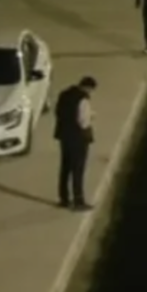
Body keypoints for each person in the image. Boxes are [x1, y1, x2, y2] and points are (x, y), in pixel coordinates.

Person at [53, 76, 98, 211]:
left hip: (64, 137)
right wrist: (91, 117)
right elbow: (83, 122)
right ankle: (79, 201)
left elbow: (58, 112)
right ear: (88, 87)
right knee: (78, 170)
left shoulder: (64, 94)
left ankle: (64, 198)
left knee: (65, 168)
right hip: (78, 139)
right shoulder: (83, 99)